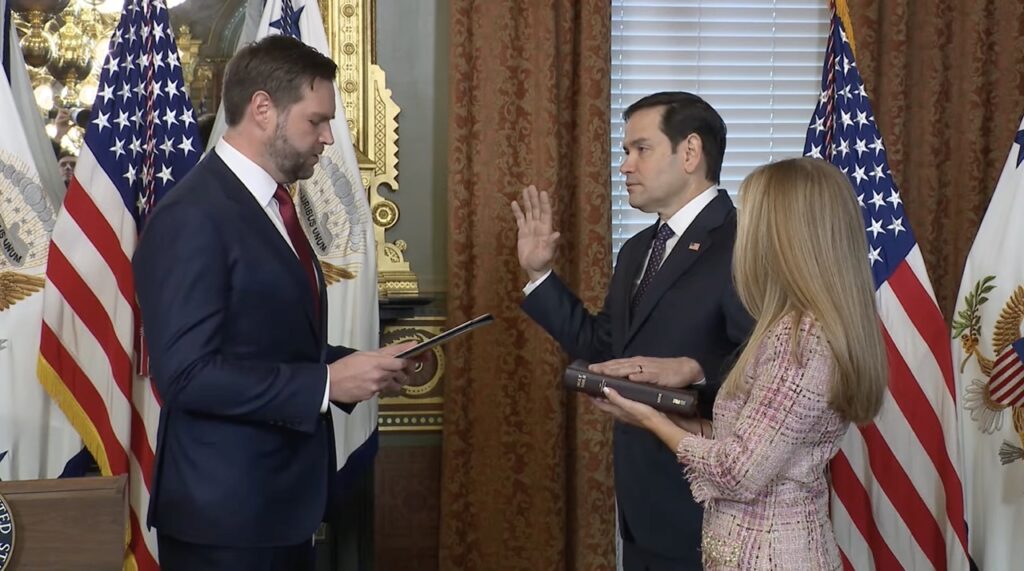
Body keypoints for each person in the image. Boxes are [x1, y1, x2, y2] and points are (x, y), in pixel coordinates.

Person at [133, 35, 417, 571]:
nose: (329, 137)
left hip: (276, 511)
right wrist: (328, 384)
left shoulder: (271, 205)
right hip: (225, 522)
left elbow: (264, 341)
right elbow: (187, 375)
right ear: (263, 109)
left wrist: (362, 365)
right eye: (317, 121)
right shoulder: (193, 215)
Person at [596, 157, 888, 569]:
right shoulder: (794, 325)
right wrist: (656, 411)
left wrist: (651, 421)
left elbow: (736, 472)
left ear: (785, 236)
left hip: (772, 556)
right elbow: (749, 441)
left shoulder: (801, 337)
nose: (741, 232)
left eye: (751, 219)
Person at [513, 91, 753, 569]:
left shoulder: (745, 243)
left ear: (689, 153)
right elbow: (605, 348)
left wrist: (694, 374)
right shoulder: (639, 249)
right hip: (643, 507)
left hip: (711, 507)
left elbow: (770, 368)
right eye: (625, 152)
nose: (624, 166)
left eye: (639, 150)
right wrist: (539, 276)